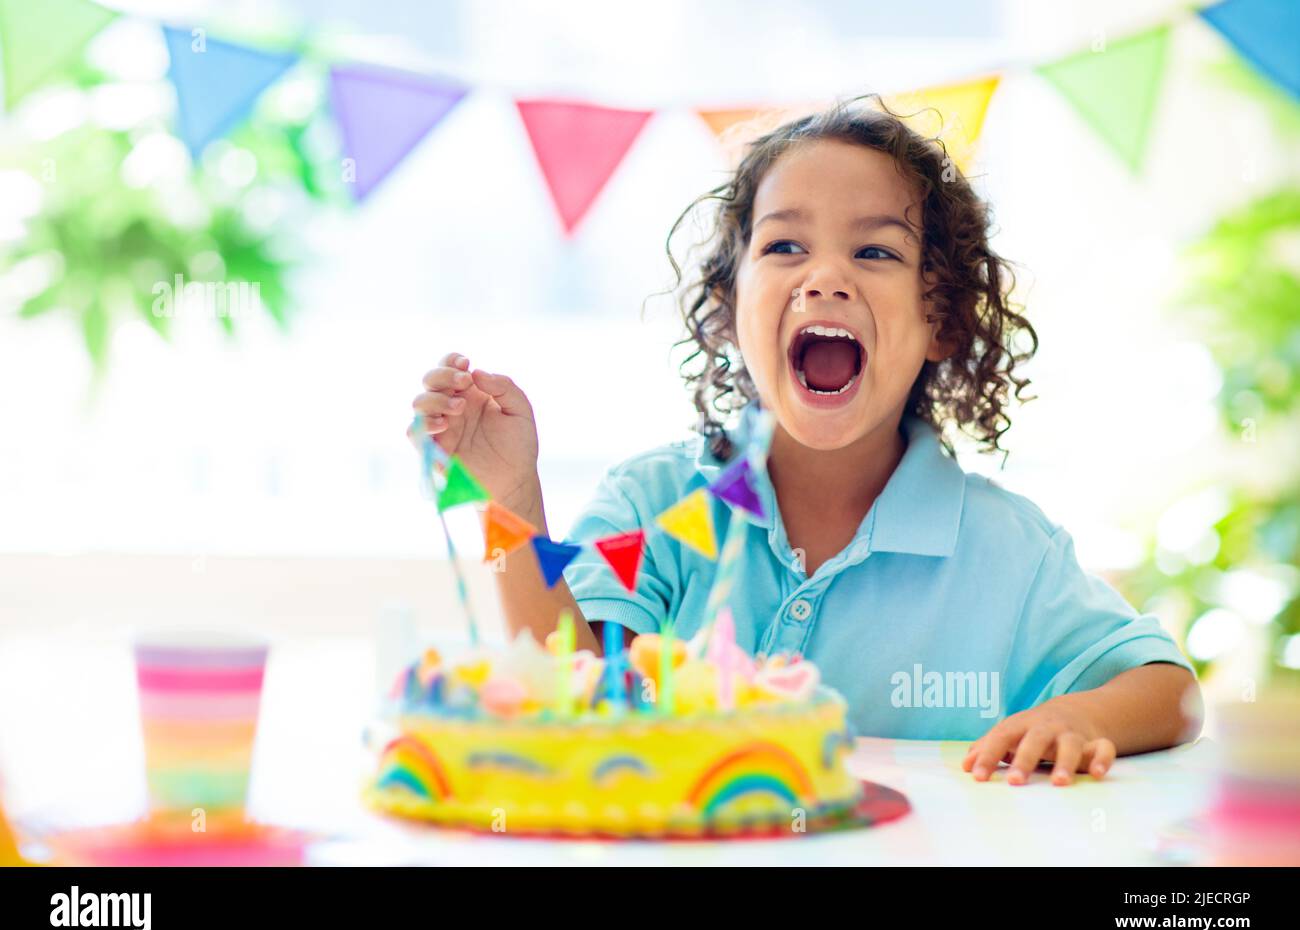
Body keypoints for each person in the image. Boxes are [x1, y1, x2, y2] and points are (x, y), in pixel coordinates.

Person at [409, 95, 1201, 785]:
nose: (824, 276)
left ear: (942, 320)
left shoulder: (1006, 550)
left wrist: (1081, 718)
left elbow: (1170, 689)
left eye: (875, 251)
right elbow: (569, 688)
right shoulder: (656, 502)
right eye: (785, 245)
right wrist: (510, 503)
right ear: (728, 307)